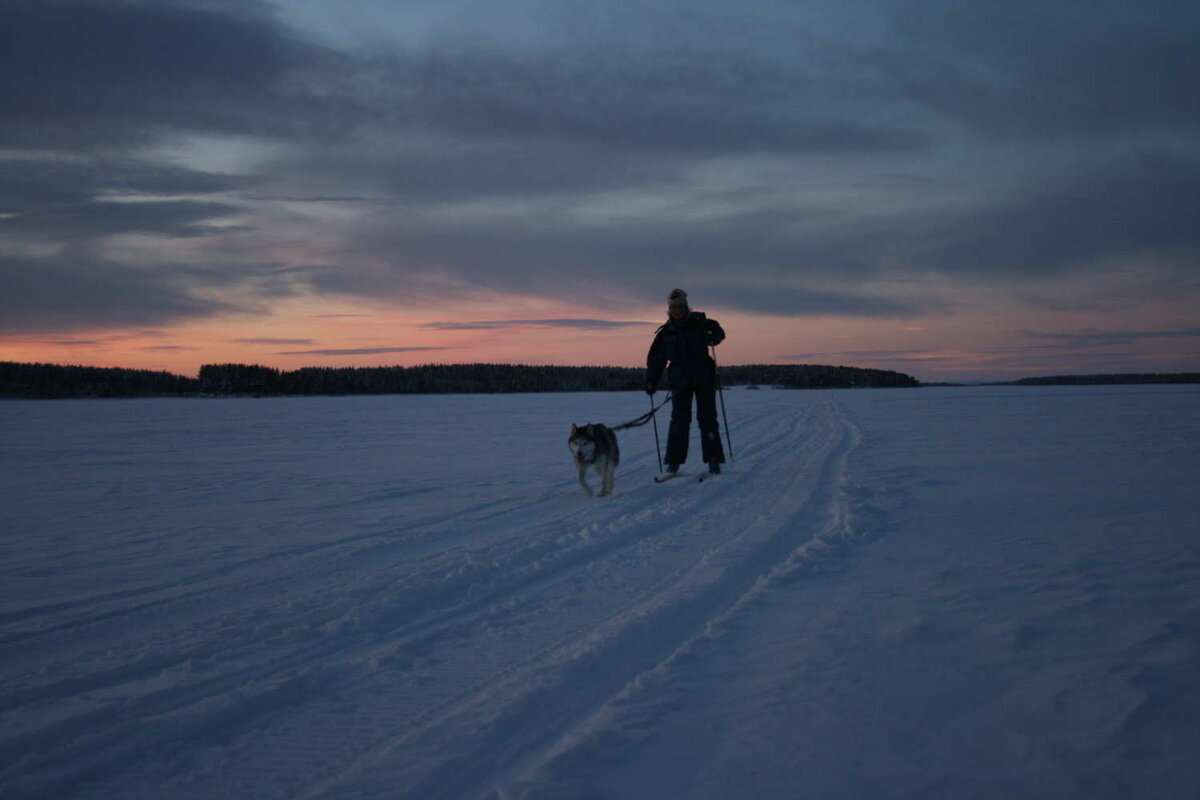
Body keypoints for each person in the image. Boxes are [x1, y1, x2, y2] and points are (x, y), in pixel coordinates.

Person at [645, 288, 726, 476]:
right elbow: (656, 359)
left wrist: (712, 328)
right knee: (679, 421)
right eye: (674, 307)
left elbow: (718, 337)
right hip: (679, 381)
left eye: (681, 306)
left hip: (703, 377)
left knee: (708, 419)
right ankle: (673, 462)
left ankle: (713, 459)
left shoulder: (700, 324)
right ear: (669, 309)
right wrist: (651, 381)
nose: (678, 310)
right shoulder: (665, 333)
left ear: (686, 307)